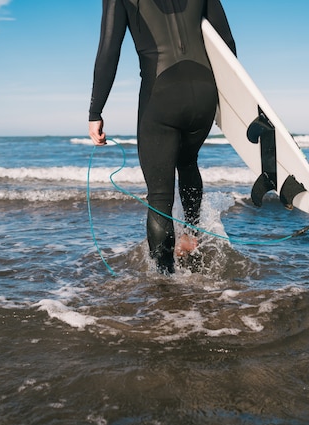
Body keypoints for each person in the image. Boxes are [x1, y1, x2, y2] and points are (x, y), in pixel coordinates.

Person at [88, 0, 236, 274]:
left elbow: (109, 50)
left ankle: (165, 281)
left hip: (162, 93)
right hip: (204, 91)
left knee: (159, 195)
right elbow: (226, 41)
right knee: (189, 162)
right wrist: (228, 101)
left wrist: (95, 111)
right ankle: (191, 236)